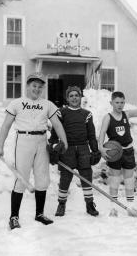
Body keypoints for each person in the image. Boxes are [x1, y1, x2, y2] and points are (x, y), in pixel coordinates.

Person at [0, 72, 68, 230]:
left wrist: (64, 141)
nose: (37, 89)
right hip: (24, 140)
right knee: (21, 178)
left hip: (42, 141)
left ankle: (39, 214)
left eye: (40, 87)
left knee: (42, 178)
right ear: (27, 86)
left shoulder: (47, 104)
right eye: (34, 86)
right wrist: (0, 145)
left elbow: (57, 124)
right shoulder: (17, 103)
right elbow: (6, 125)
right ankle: (14, 217)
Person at [48, 86, 101, 217]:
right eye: (71, 96)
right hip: (67, 149)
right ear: (67, 98)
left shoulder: (87, 114)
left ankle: (89, 204)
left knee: (86, 176)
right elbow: (55, 131)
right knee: (65, 178)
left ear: (80, 97)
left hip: (83, 149)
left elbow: (91, 135)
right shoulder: (61, 112)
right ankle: (61, 204)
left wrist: (95, 151)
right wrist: (53, 147)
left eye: (76, 95)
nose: (74, 98)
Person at [98, 89, 137, 216]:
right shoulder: (108, 117)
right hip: (115, 152)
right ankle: (113, 208)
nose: (119, 105)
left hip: (128, 151)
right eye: (117, 102)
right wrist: (100, 147)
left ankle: (131, 208)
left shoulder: (127, 114)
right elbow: (102, 133)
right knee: (114, 179)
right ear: (111, 103)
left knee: (129, 179)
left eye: (122, 102)